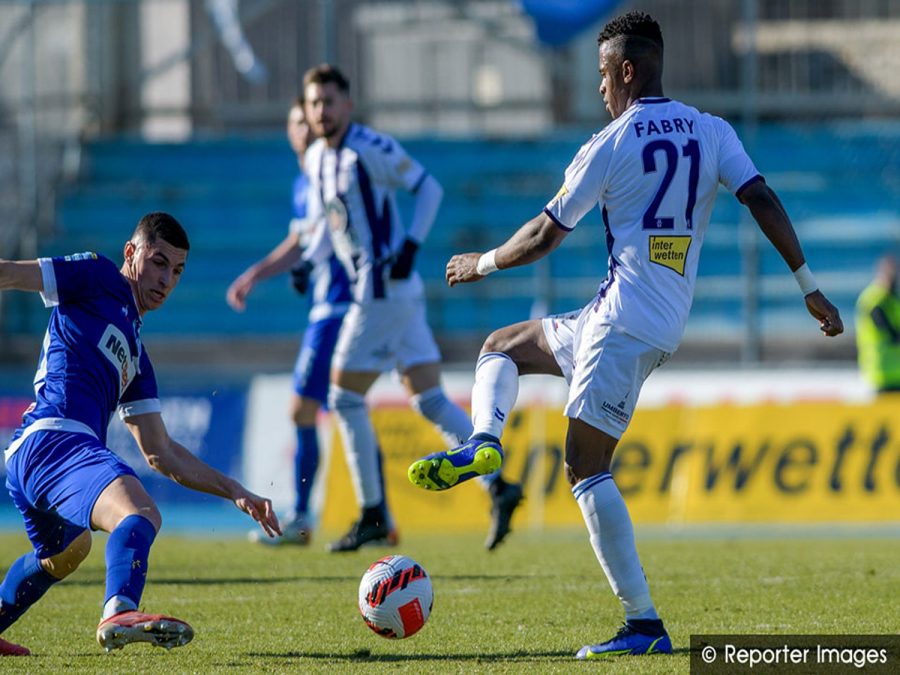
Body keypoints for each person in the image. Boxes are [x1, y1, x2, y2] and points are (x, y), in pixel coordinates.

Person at [408, 10, 843, 659]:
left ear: (628, 70)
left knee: (585, 465)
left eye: (605, 76)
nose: (601, 90)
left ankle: (643, 622)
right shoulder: (711, 128)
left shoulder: (609, 142)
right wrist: (808, 283)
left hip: (622, 321)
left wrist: (483, 261)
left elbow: (546, 234)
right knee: (501, 345)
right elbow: (762, 197)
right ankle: (482, 442)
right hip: (638, 317)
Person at [0, 213, 281, 657]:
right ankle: (119, 610)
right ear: (130, 254)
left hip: (35, 454)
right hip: (54, 439)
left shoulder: (135, 354)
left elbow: (162, 453)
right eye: (158, 262)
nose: (166, 279)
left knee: (68, 551)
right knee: (140, 511)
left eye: (177, 271)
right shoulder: (95, 274)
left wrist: (235, 491)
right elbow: (11, 273)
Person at [299, 63, 523, 552]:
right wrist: (307, 261)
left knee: (343, 398)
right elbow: (330, 223)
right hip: (392, 296)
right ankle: (500, 486)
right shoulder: (316, 157)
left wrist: (410, 247)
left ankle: (373, 512)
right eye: (314, 102)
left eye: (329, 101)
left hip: (380, 290)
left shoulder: (369, 149)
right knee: (430, 399)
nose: (321, 111)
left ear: (347, 105)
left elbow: (429, 188)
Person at [226, 100, 397, 546]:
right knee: (347, 406)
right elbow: (304, 239)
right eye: (297, 121)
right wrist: (259, 273)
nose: (306, 127)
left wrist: (299, 261)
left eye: (309, 119)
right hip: (330, 304)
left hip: (341, 306)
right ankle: (380, 517)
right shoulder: (305, 182)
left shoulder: (332, 172)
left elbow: (321, 236)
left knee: (306, 409)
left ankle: (304, 518)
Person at [856, 254, 900, 392]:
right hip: (880, 372)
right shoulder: (874, 299)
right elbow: (890, 331)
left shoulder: (892, 298)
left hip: (894, 372)